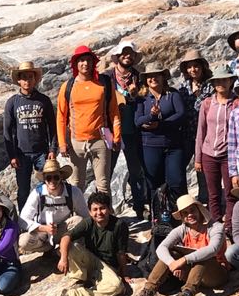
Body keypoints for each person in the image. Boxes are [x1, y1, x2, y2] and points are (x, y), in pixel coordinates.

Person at [130, 194, 228, 296]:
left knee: (203, 256)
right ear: (181, 216)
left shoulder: (215, 227)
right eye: (185, 213)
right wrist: (172, 263)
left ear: (199, 210)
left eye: (192, 210)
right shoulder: (181, 230)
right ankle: (148, 293)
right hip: (193, 274)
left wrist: (183, 260)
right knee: (171, 253)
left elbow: (212, 249)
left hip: (216, 274)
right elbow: (161, 248)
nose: (190, 215)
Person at [57, 45, 119, 195]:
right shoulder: (68, 86)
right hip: (76, 141)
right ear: (76, 64)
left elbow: (114, 112)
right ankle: (78, 217)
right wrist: (62, 143)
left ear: (93, 62)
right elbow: (61, 116)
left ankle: (106, 216)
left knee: (103, 184)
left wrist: (117, 136)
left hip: (100, 140)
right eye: (81, 60)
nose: (85, 64)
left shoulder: (103, 83)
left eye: (88, 60)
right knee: (76, 184)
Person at [57, 190, 130, 296]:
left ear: (110, 209)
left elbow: (121, 253)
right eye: (95, 209)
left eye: (102, 208)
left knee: (117, 287)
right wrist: (63, 259)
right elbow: (66, 237)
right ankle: (80, 279)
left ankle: (72, 295)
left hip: (108, 266)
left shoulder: (119, 226)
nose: (99, 212)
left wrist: (124, 273)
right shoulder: (88, 222)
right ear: (90, 212)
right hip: (91, 260)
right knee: (71, 245)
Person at [1, 61, 58, 209]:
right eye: (24, 77)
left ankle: (46, 217)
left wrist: (52, 150)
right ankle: (24, 222)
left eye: (30, 77)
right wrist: (11, 155)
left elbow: (52, 127)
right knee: (23, 191)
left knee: (47, 187)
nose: (27, 80)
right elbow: (7, 131)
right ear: (19, 80)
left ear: (35, 79)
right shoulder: (12, 103)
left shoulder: (43, 100)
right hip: (21, 154)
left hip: (42, 152)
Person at [134, 62, 189, 214]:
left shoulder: (173, 95)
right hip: (150, 146)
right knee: (154, 184)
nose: (153, 79)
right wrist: (151, 116)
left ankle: (182, 213)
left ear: (163, 77)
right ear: (145, 80)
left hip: (173, 146)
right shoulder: (142, 99)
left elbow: (181, 114)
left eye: (156, 75)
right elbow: (138, 121)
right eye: (150, 76)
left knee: (176, 181)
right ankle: (157, 218)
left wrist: (160, 124)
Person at [106, 40, 148, 221]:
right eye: (124, 52)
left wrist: (135, 94)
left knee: (136, 170)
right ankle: (104, 209)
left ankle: (140, 206)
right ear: (117, 56)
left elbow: (146, 100)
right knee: (106, 172)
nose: (127, 56)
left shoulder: (140, 77)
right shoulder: (107, 77)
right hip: (110, 130)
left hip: (133, 130)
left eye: (131, 53)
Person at [195, 65, 238, 238]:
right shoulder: (207, 103)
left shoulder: (237, 103)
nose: (221, 83)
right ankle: (215, 224)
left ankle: (229, 226)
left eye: (224, 80)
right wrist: (198, 158)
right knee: (213, 193)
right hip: (208, 153)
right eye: (217, 81)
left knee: (230, 192)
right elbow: (201, 131)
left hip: (229, 154)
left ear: (231, 81)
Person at [18, 158, 89, 254]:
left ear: (61, 177)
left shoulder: (74, 192)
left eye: (56, 177)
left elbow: (86, 217)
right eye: (48, 178)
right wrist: (44, 228)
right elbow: (22, 220)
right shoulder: (37, 194)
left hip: (63, 230)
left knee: (78, 221)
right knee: (23, 241)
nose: (52, 181)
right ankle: (48, 249)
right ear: (44, 179)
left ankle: (64, 248)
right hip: (42, 233)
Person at [177, 48, 212, 198]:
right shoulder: (183, 87)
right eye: (189, 67)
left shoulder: (210, 85)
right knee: (180, 166)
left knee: (202, 167)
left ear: (202, 66)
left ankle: (205, 197)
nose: (193, 70)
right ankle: (183, 198)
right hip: (186, 132)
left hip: (206, 133)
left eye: (196, 66)